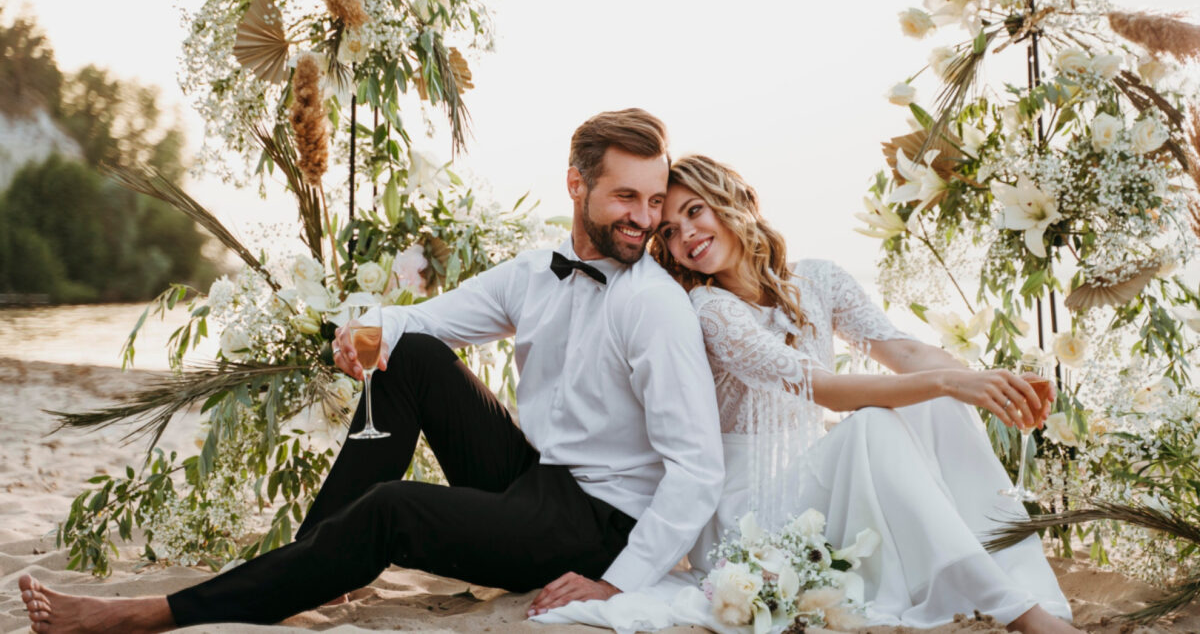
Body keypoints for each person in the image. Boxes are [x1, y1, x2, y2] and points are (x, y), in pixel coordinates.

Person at [18, 109, 725, 633]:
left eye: (654, 199)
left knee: (393, 504)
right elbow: (427, 319)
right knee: (409, 354)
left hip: (598, 527)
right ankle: (314, 568)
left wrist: (617, 582)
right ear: (577, 184)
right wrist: (364, 332)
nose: (645, 217)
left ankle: (156, 612)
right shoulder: (536, 273)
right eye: (626, 197)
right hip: (536, 479)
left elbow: (697, 468)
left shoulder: (653, 309)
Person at [536, 154, 1080, 634]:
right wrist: (950, 380)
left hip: (816, 486)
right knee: (875, 421)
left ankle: (1017, 574)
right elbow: (827, 390)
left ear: (738, 200)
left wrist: (984, 379)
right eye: (672, 232)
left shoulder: (818, 279)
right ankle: (1016, 609)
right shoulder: (711, 310)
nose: (686, 236)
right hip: (747, 513)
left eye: (695, 211)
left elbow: (905, 353)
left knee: (940, 401)